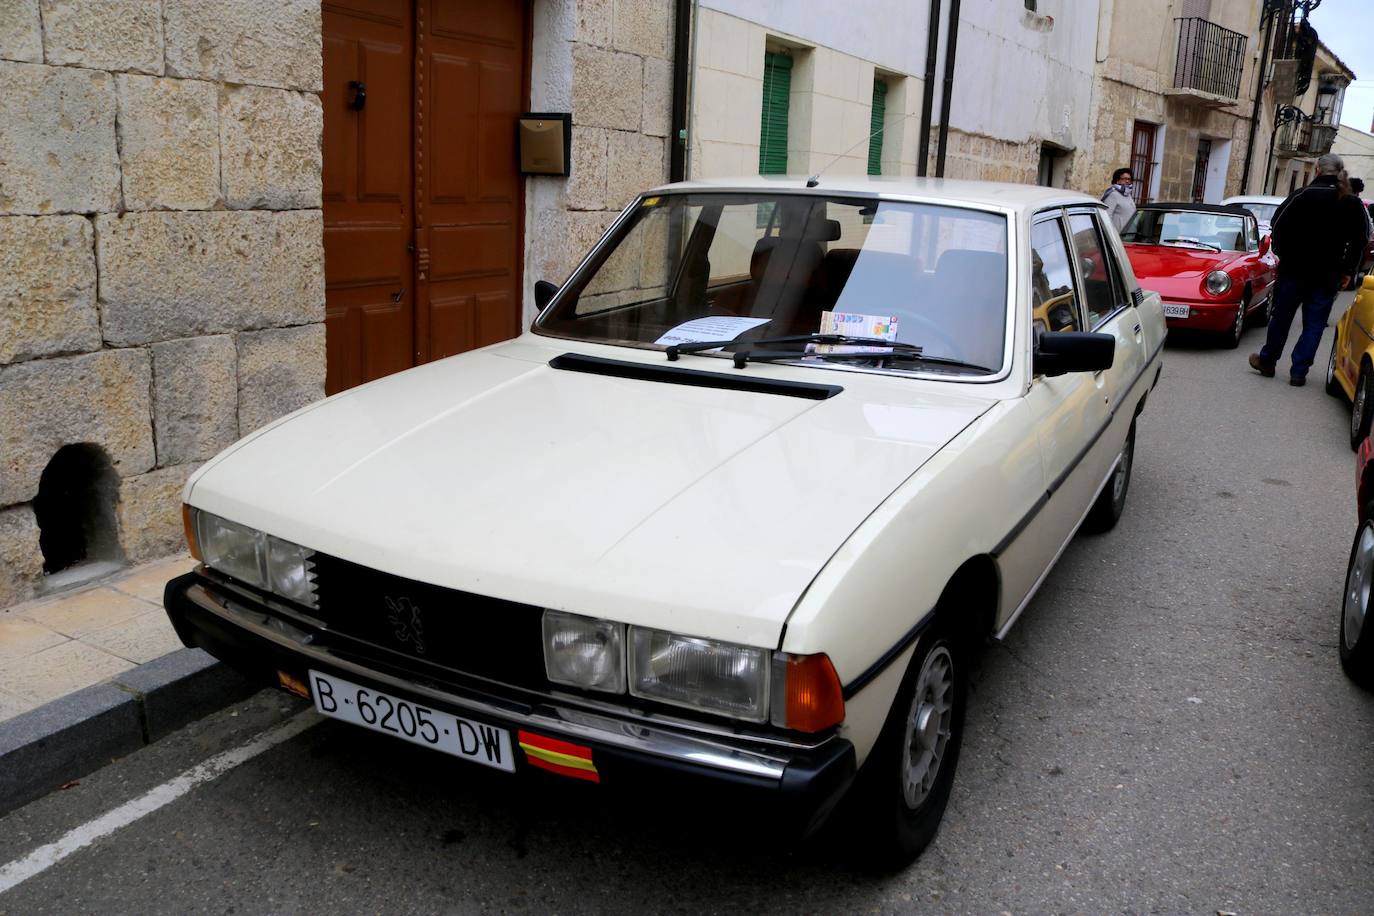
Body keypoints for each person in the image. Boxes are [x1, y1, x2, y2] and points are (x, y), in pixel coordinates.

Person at [1249, 154, 1370, 386]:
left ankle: (1268, 361)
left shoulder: (1302, 195)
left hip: (1294, 270)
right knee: (1314, 324)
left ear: (1317, 170)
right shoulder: (1352, 202)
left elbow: (1278, 225)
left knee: (1281, 318)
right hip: (1328, 274)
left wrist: (1282, 254)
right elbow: (1361, 239)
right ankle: (1299, 371)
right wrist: (1347, 269)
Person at [1101, 167, 1137, 232]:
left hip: (1130, 234)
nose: (1127, 181)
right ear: (1117, 180)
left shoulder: (1128, 194)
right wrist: (1111, 233)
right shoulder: (1113, 194)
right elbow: (1107, 216)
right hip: (1118, 234)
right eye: (1124, 179)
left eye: (1129, 179)